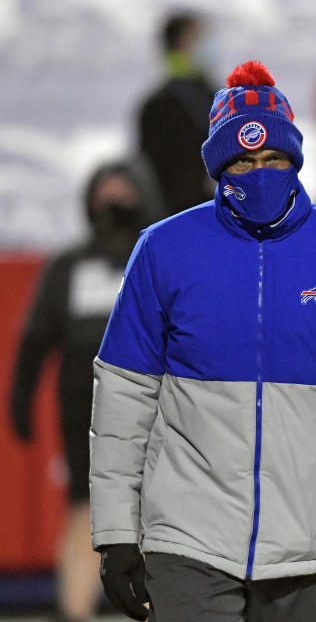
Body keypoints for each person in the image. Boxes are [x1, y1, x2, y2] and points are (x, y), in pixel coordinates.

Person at [90, 61, 316, 622]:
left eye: (272, 158)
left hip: (311, 544)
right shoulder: (164, 250)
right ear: (218, 166)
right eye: (243, 161)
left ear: (294, 159)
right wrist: (117, 533)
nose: (259, 172)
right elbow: (123, 402)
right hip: (186, 543)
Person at [10, 159, 161, 622]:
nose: (113, 201)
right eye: (104, 192)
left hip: (155, 407)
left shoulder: (157, 258)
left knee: (156, 516)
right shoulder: (69, 265)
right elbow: (35, 339)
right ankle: (73, 613)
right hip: (84, 412)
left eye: (123, 191)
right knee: (86, 512)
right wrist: (20, 402)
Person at [137, 10, 218, 215]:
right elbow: (151, 178)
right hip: (177, 216)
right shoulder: (157, 107)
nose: (208, 45)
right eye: (199, 38)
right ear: (181, 43)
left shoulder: (216, 96)